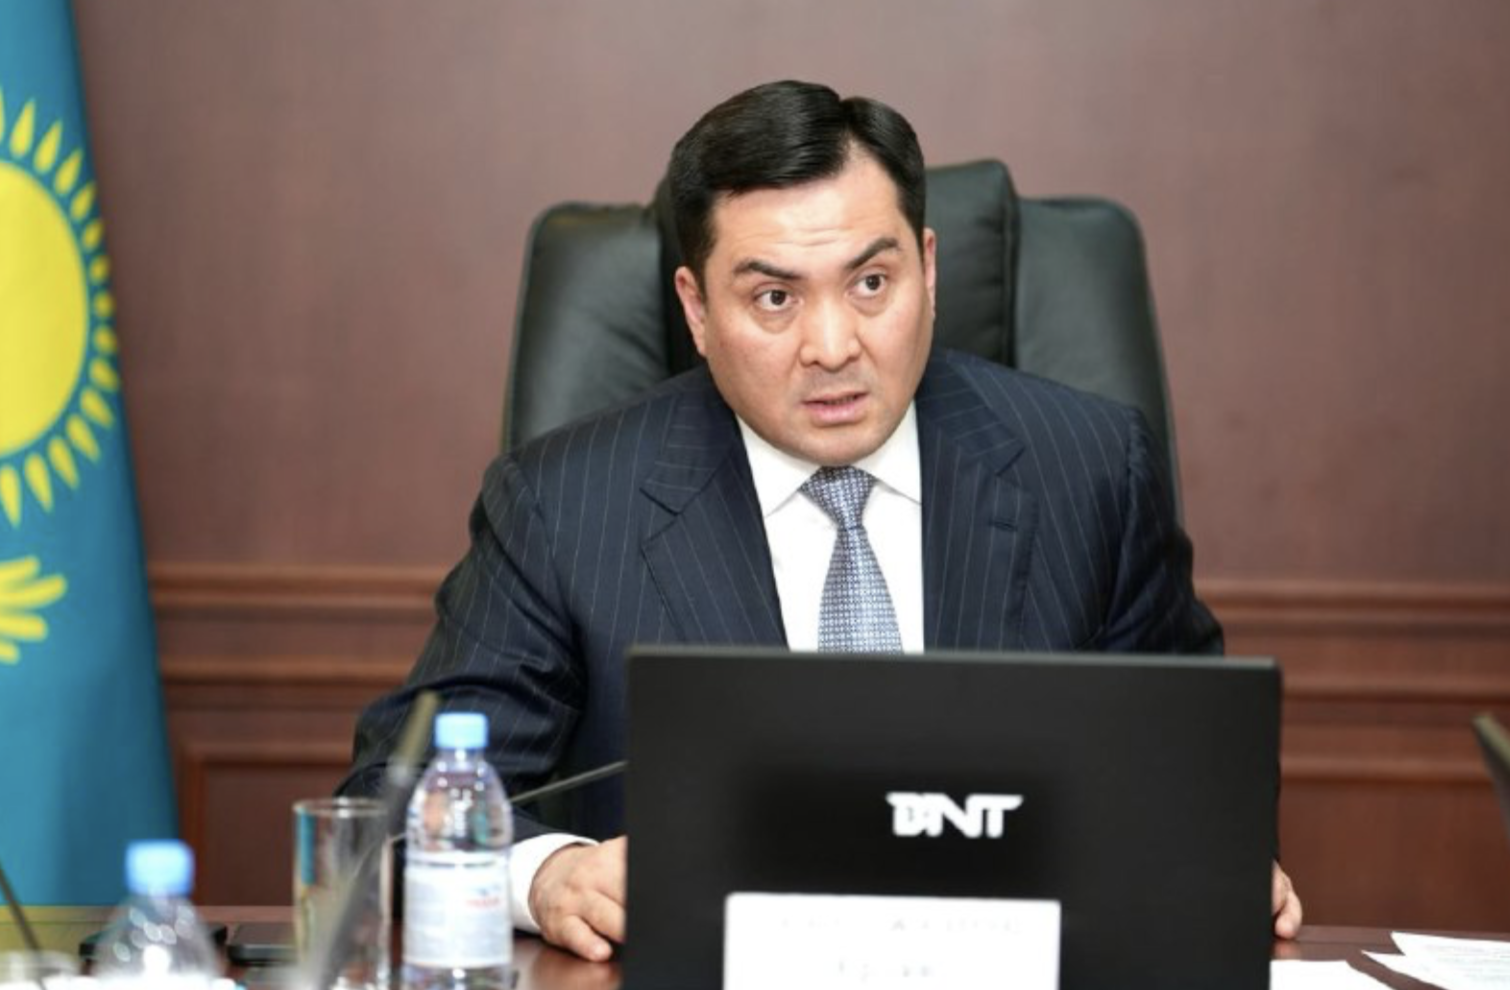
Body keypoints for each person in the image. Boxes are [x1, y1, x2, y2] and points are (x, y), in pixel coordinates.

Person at [340, 79, 1302, 961]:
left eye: (871, 283)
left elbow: (1203, 769)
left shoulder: (1088, 468)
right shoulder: (562, 503)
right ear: (696, 310)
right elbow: (388, 804)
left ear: (929, 270)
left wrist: (1209, 858)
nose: (833, 346)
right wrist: (547, 875)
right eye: (774, 298)